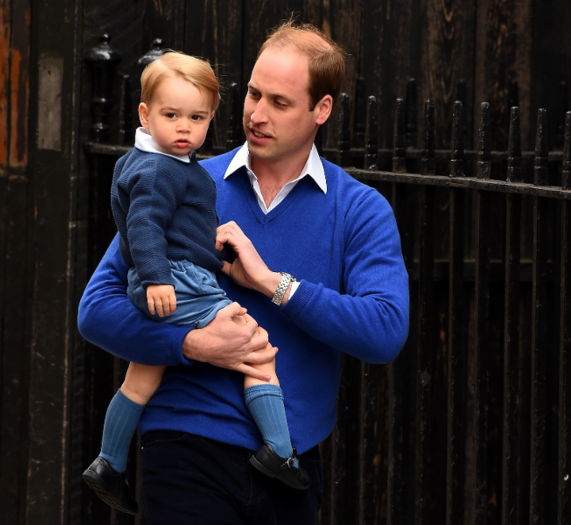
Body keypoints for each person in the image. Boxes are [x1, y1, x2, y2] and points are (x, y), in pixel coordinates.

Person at [78, 20, 409, 525]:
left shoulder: (359, 209)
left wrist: (273, 284)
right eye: (253, 93)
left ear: (322, 110)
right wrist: (191, 346)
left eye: (280, 102)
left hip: (289, 464)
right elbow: (95, 310)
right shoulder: (185, 176)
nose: (256, 114)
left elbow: (385, 331)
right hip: (185, 447)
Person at [81, 51, 309, 517]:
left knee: (141, 376)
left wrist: (219, 259)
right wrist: (156, 280)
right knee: (256, 346)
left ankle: (109, 463)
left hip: (177, 276)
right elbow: (144, 226)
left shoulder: (145, 162)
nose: (185, 128)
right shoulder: (163, 169)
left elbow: (172, 229)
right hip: (178, 283)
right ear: (145, 114)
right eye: (172, 115)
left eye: (198, 117)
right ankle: (279, 452)